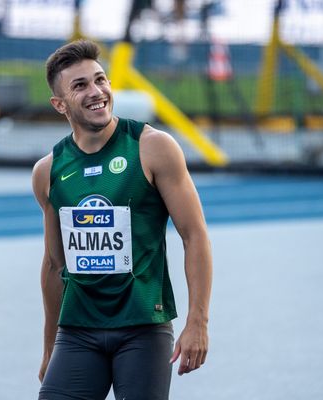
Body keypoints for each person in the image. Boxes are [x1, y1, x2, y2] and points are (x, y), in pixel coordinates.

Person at [32, 39, 212, 400]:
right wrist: (50, 342)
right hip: (78, 330)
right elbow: (54, 265)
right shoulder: (48, 171)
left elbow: (194, 236)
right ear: (59, 104)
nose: (96, 91)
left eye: (101, 80)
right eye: (80, 86)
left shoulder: (152, 147)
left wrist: (197, 322)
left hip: (143, 327)